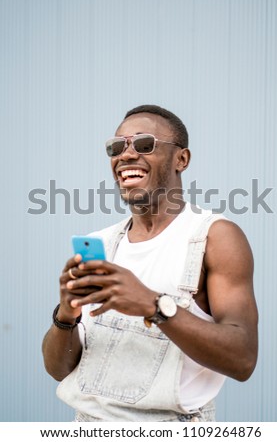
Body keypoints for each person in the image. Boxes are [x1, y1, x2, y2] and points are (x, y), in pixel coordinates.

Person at [42, 104, 258, 422]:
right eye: (116, 147)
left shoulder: (214, 237)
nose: (126, 155)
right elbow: (59, 370)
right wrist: (66, 313)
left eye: (145, 144)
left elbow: (243, 360)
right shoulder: (102, 244)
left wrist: (153, 305)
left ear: (181, 159)